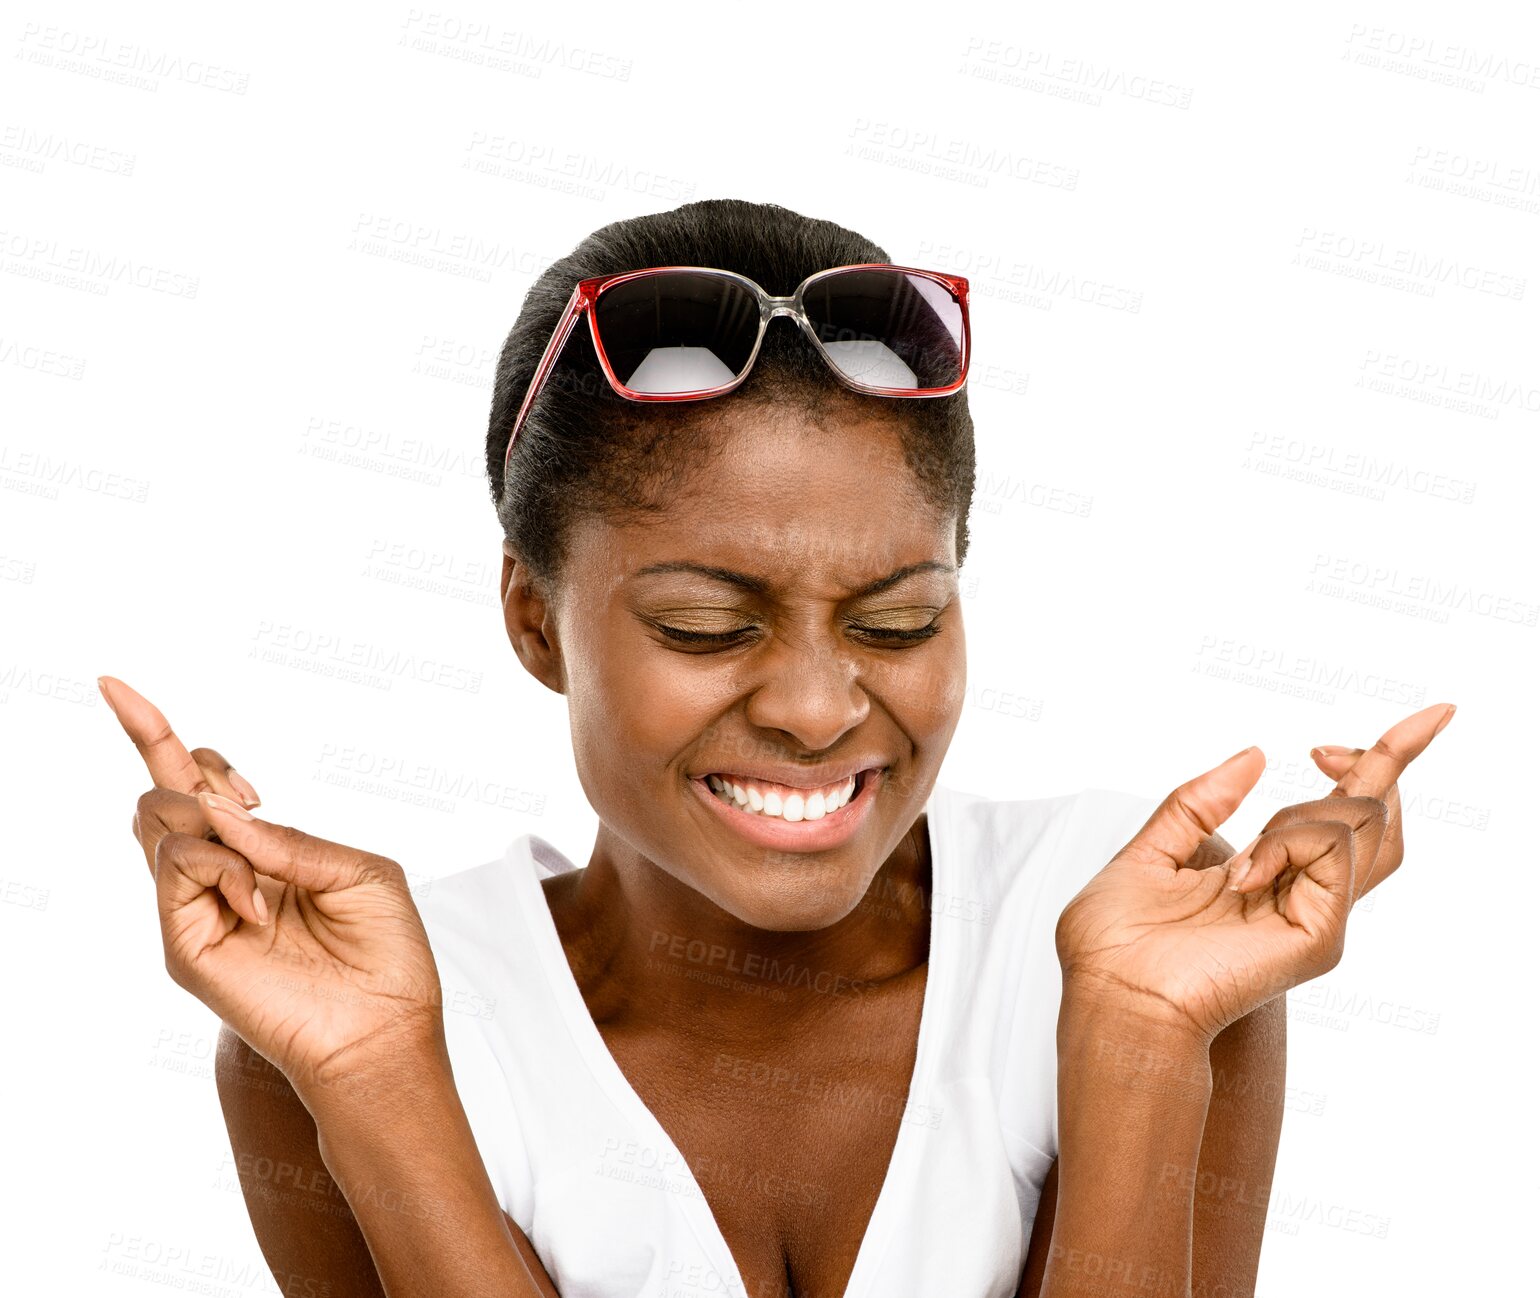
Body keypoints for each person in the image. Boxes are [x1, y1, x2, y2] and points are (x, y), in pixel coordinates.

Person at [102, 198, 1454, 1297]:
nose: (818, 708)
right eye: (704, 625)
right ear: (535, 621)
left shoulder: (1136, 925)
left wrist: (1145, 1033)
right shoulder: (349, 1021)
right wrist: (382, 1082)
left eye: (900, 618)